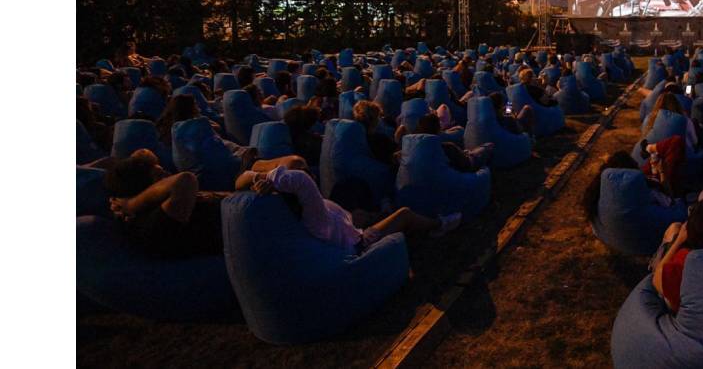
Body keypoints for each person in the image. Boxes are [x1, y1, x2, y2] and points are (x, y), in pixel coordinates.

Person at [104, 149, 305, 258]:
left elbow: (138, 154)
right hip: (262, 217)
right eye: (159, 175)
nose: (166, 174)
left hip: (248, 197)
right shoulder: (152, 222)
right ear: (143, 186)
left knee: (291, 164)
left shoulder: (159, 206)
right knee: (295, 165)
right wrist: (132, 204)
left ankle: (256, 168)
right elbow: (185, 180)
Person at [243, 162, 460, 251]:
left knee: (349, 193)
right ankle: (439, 225)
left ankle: (381, 212)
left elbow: (244, 175)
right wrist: (273, 177)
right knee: (404, 214)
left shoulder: (305, 211)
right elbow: (299, 178)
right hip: (357, 244)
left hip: (345, 225)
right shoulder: (310, 206)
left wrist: (262, 179)